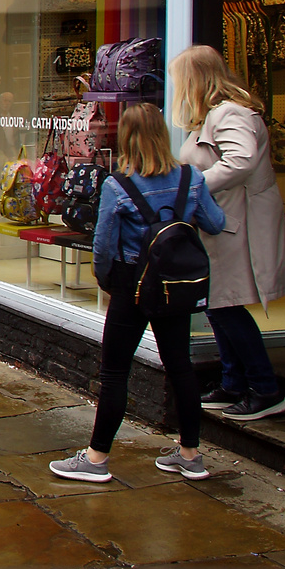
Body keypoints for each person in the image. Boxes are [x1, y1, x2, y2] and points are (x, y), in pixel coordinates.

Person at [49, 103, 226, 483]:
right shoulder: (191, 178)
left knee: (115, 371)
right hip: (175, 284)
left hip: (132, 282)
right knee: (180, 365)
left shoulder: (118, 186)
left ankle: (96, 460)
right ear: (162, 135)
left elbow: (103, 246)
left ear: (126, 139)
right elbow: (216, 222)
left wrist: (107, 282)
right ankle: (190, 454)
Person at [172, 45, 285, 422]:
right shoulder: (213, 117)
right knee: (218, 304)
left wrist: (190, 189)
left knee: (226, 306)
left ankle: (265, 389)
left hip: (235, 225)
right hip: (222, 223)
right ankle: (233, 382)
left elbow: (239, 161)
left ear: (195, 80)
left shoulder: (231, 114)